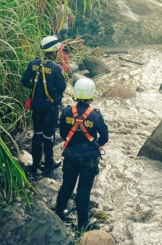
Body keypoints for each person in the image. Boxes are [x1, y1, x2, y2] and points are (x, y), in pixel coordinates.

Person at [55, 77, 108, 232]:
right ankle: (82, 225)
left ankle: (59, 213)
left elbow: (64, 134)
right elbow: (104, 137)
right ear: (91, 94)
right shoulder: (95, 115)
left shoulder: (66, 112)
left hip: (71, 156)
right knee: (83, 191)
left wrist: (73, 143)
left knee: (67, 185)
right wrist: (94, 144)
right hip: (89, 160)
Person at [21, 35, 66, 176]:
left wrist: (35, 86)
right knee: (48, 135)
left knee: (37, 134)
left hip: (36, 105)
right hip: (50, 107)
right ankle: (48, 164)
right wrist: (52, 94)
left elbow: (24, 81)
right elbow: (62, 87)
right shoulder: (56, 68)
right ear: (54, 51)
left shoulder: (33, 63)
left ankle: (35, 164)